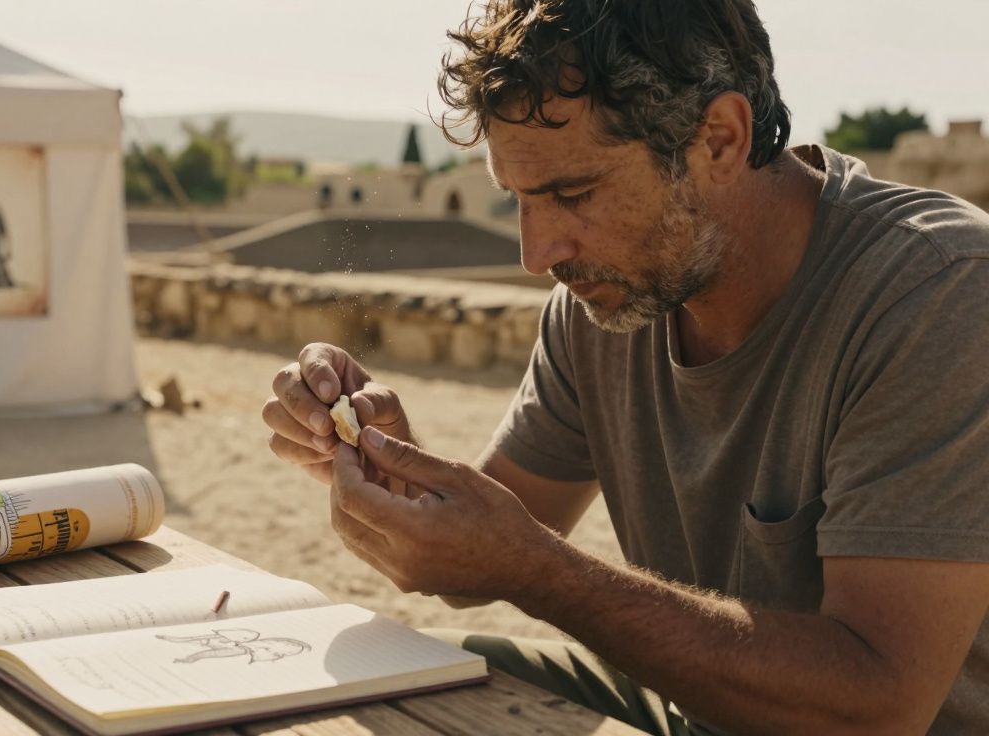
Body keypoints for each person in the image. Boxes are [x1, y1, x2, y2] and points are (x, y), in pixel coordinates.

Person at [261, 1, 989, 733]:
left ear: (720, 140)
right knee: (379, 684)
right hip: (689, 711)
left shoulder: (938, 289)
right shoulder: (606, 301)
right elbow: (482, 552)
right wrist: (395, 470)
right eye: (517, 199)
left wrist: (536, 571)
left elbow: (880, 705)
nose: (536, 254)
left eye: (573, 194)